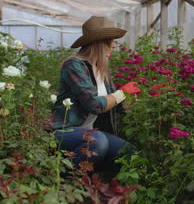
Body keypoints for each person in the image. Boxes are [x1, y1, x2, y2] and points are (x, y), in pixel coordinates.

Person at [50, 16, 133, 174]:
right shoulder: (74, 65)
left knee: (129, 153)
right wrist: (122, 93)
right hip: (65, 131)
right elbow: (95, 104)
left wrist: (138, 101)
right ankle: (62, 180)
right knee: (96, 142)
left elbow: (115, 103)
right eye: (112, 41)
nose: (114, 46)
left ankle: (100, 185)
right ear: (101, 43)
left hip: (90, 130)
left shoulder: (101, 70)